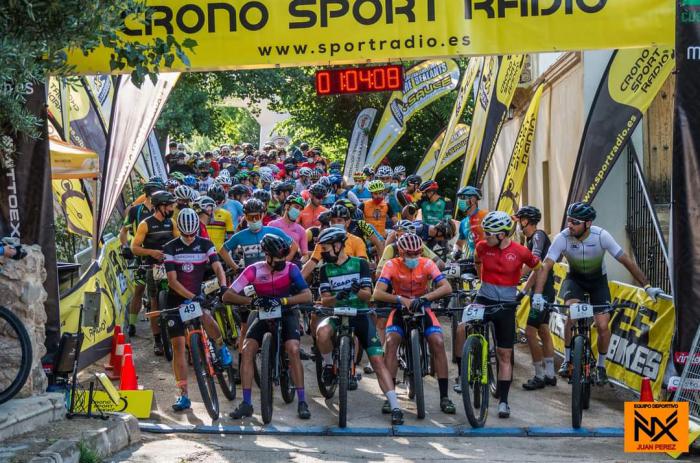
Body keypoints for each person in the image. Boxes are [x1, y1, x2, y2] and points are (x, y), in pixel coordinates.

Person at [532, 202, 664, 385]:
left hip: (597, 282)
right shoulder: (563, 237)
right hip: (575, 280)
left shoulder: (601, 236)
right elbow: (546, 266)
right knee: (572, 314)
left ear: (588, 224)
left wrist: (647, 286)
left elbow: (626, 260)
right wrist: (537, 295)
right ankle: (568, 359)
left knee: (603, 325)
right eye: (569, 220)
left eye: (575, 222)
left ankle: (601, 367)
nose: (570, 225)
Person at [454, 211, 541, 418]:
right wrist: (479, 279)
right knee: (461, 329)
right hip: (484, 299)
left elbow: (540, 268)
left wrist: (525, 291)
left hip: (507, 305)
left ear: (502, 235)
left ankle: (503, 401)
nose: (485, 237)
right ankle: (461, 376)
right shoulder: (483, 248)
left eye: (489, 234)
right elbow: (477, 260)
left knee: (505, 354)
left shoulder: (520, 251)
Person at [315, 227, 405, 425]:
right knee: (322, 332)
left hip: (360, 314)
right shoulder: (324, 269)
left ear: (338, 246)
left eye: (326, 248)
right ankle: (329, 365)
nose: (323, 252)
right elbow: (325, 300)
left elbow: (368, 295)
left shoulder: (360, 264)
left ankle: (395, 406)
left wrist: (357, 292)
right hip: (337, 314)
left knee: (377, 360)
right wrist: (337, 296)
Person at [224, 234, 314, 420]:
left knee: (294, 349)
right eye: (278, 258)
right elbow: (228, 296)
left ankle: (302, 401)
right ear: (267, 256)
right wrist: (252, 301)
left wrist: (284, 300)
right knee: (247, 349)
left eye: (284, 256)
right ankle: (246, 403)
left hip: (287, 311)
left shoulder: (291, 269)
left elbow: (307, 296)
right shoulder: (254, 270)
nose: (282, 260)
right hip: (262, 313)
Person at [372, 233, 456, 415]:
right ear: (400, 252)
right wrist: (400, 299)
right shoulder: (390, 265)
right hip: (400, 308)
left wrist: (425, 298)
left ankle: (444, 397)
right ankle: (390, 396)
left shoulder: (427, 263)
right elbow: (377, 293)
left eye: (417, 253)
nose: (413, 257)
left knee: (438, 342)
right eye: (409, 254)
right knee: (392, 341)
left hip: (423, 307)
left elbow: (446, 287)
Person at [162, 208, 232, 411]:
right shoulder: (170, 248)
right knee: (178, 346)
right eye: (186, 234)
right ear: (180, 231)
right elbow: (173, 282)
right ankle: (183, 394)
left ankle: (220, 346)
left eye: (193, 233)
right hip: (177, 297)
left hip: (197, 293)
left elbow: (218, 267)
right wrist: (192, 296)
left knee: (206, 317)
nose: (190, 237)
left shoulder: (206, 243)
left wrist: (223, 284)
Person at [511, 206, 558, 390]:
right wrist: (523, 291)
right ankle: (550, 374)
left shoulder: (537, 236)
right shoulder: (531, 239)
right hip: (543, 291)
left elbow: (535, 262)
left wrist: (513, 278)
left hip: (543, 293)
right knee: (544, 330)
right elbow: (536, 269)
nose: (519, 223)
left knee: (530, 332)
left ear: (526, 221)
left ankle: (539, 375)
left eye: (520, 219)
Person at [130, 191, 179, 355]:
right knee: (154, 303)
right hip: (153, 268)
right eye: (170, 206)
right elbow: (134, 248)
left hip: (170, 266)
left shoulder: (171, 223)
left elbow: (178, 242)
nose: (172, 209)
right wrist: (151, 252)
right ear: (161, 207)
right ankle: (158, 340)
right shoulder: (145, 224)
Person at [120, 180, 161, 337]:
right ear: (149, 195)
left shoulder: (162, 209)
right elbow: (123, 231)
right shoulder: (135, 210)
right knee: (139, 289)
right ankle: (132, 323)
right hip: (141, 256)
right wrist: (125, 247)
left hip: (159, 255)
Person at [301, 204, 368, 279]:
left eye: (339, 220)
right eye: (332, 221)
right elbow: (311, 263)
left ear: (347, 222)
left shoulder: (357, 241)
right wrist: (297, 281)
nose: (336, 224)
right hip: (330, 279)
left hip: (352, 279)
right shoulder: (323, 241)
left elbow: (363, 266)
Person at [268, 195, 309, 263]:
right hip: (274, 264)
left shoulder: (301, 230)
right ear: (287, 206)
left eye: (300, 209)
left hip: (293, 265)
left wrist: (299, 263)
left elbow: (305, 255)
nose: (298, 211)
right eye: (296, 207)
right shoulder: (272, 225)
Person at [454, 186, 488, 259]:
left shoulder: (485, 216)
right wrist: (456, 251)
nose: (460, 201)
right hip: (472, 261)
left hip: (487, 260)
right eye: (459, 198)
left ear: (473, 199)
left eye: (463, 197)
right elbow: (459, 244)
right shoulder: (463, 222)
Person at [204, 184, 235, 251]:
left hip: (219, 251)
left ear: (223, 201)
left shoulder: (226, 214)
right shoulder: (201, 213)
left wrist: (232, 250)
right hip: (203, 250)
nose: (215, 205)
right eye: (213, 202)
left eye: (218, 202)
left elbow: (230, 236)